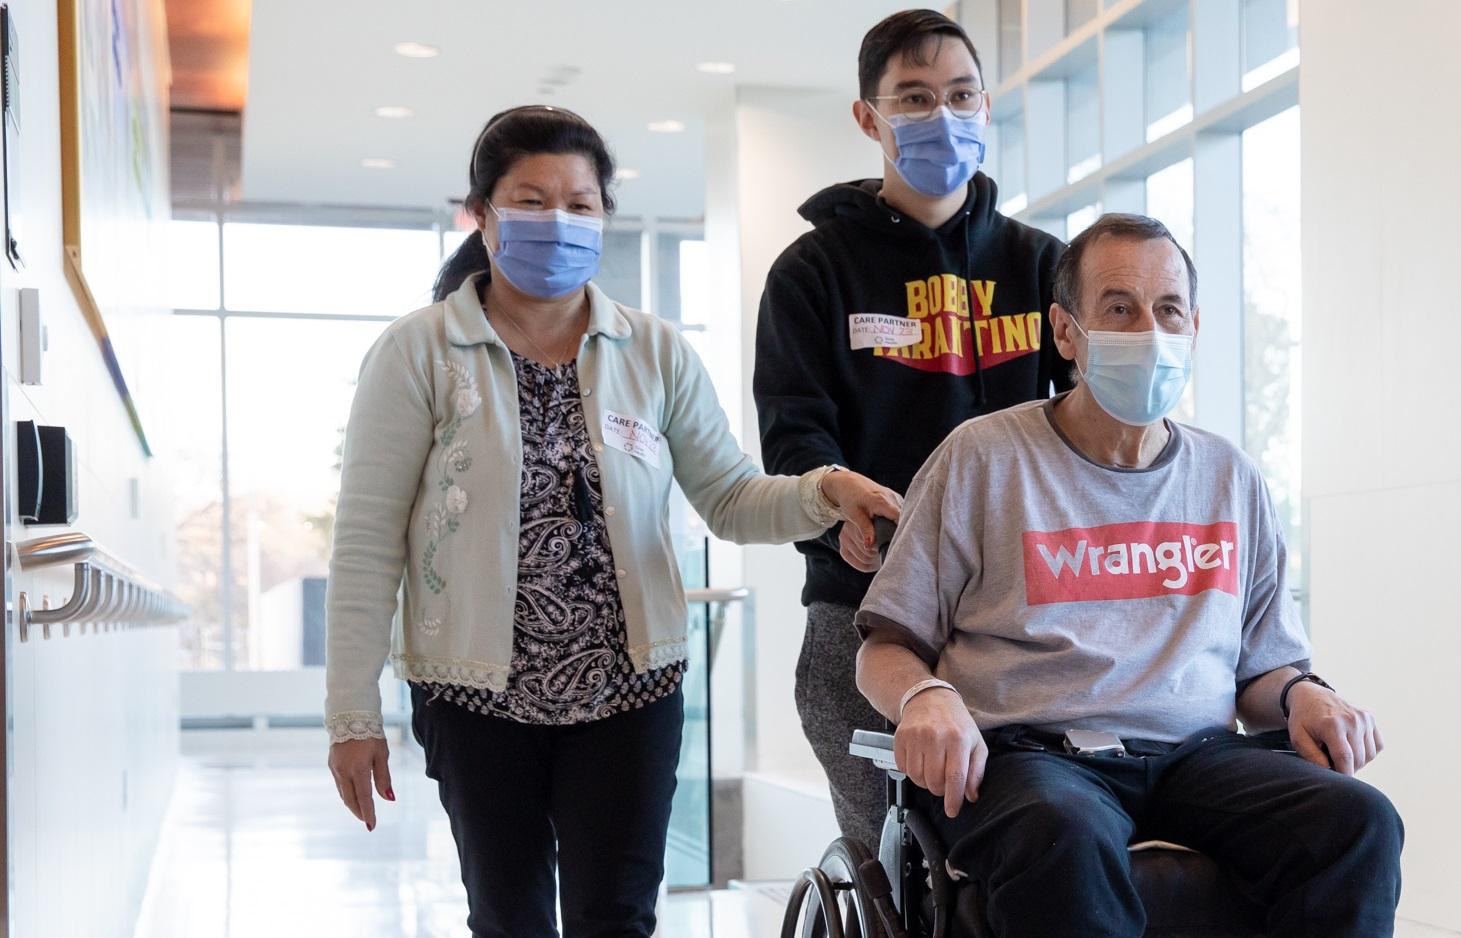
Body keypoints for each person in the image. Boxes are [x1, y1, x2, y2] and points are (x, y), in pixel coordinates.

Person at [322, 105, 901, 938]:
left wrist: (824, 489)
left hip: (631, 696)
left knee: (618, 920)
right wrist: (351, 716)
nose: (557, 220)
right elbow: (368, 543)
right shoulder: (421, 352)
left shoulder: (653, 351)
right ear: (481, 215)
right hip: (474, 699)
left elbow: (731, 496)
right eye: (530, 199)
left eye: (580, 203)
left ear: (604, 218)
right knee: (509, 919)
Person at [853, 214, 1404, 938]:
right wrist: (925, 697)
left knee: (1357, 822)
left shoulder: (1229, 479)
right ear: (1065, 331)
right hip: (1033, 757)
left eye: (1168, 309)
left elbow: (1264, 678)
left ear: (1195, 327)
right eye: (1119, 308)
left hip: (1197, 758)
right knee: (1065, 831)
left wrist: (1306, 694)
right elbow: (882, 648)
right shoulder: (983, 459)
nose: (1148, 329)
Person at [754, 8, 1071, 845]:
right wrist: (840, 508)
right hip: (862, 608)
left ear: (988, 106)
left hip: (1018, 614)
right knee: (897, 860)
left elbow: (1090, 432)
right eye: (916, 98)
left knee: (1026, 844)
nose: (944, 117)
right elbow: (793, 436)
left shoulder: (1042, 267)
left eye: (961, 95)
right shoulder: (814, 271)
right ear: (870, 118)